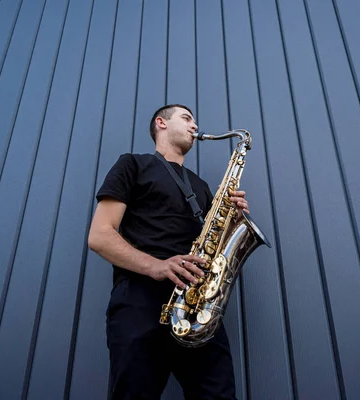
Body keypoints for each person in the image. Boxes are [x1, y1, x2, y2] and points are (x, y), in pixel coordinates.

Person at [88, 104, 249, 400]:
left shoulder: (200, 186)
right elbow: (100, 235)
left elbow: (214, 244)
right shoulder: (132, 164)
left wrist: (234, 220)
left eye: (194, 121)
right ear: (161, 123)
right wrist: (157, 267)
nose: (193, 126)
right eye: (186, 118)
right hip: (140, 300)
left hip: (197, 307)